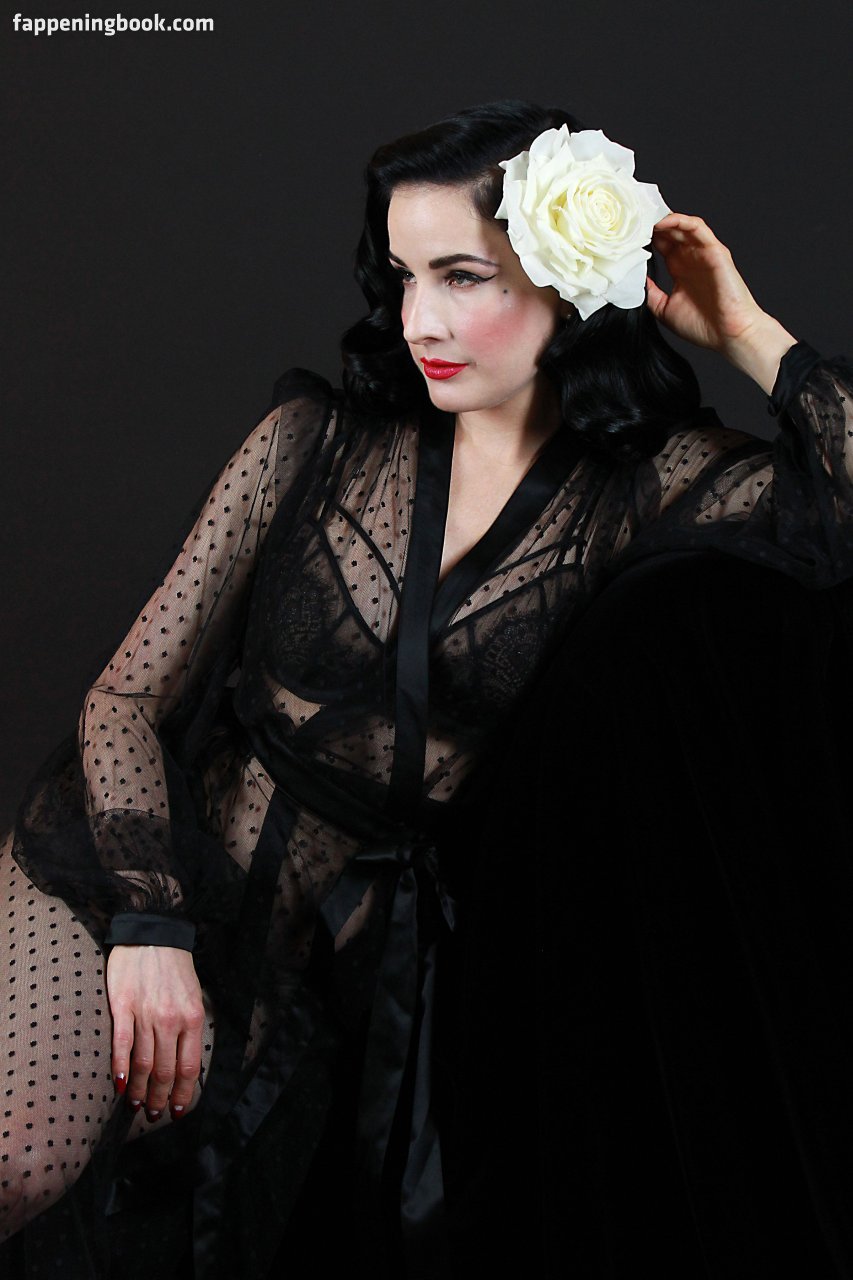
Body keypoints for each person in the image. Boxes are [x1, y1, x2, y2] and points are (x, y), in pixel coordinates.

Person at [2, 98, 853, 1278]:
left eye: (461, 277)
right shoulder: (313, 438)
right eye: (403, 278)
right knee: (19, 1155)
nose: (419, 321)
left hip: (356, 985)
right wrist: (149, 923)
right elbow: (124, 699)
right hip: (138, 873)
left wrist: (746, 330)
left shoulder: (648, 487)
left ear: (566, 281)